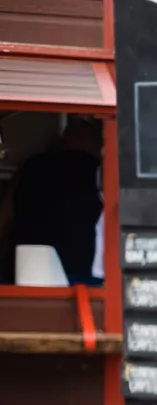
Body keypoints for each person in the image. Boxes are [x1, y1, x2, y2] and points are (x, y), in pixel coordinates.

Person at [13, 117, 104, 285]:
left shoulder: (33, 167)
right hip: (85, 268)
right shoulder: (98, 171)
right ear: (97, 144)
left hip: (31, 267)